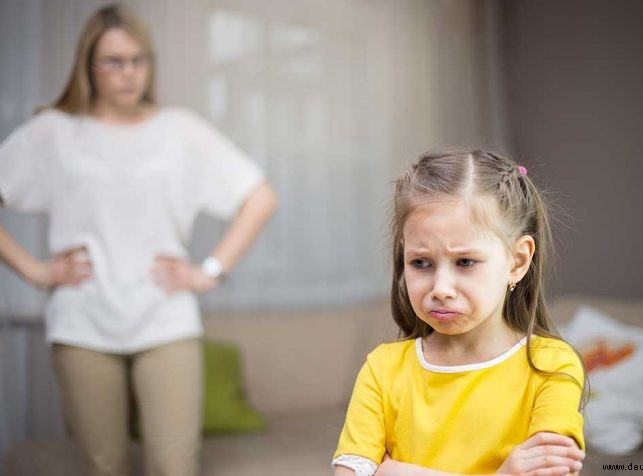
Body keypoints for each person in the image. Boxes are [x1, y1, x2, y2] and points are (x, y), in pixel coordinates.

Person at [0, 4, 277, 476]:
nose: (128, 73)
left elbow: (260, 197)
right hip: (81, 320)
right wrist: (36, 270)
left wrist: (209, 271)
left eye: (138, 60)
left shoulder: (180, 130)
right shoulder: (56, 132)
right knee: (106, 465)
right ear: (89, 65)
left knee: (174, 466)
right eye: (113, 61)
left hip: (165, 317)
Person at [332, 150, 587, 476]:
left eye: (465, 262)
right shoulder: (382, 370)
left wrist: (391, 471)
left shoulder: (552, 366)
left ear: (518, 261)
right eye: (420, 263)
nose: (440, 288)